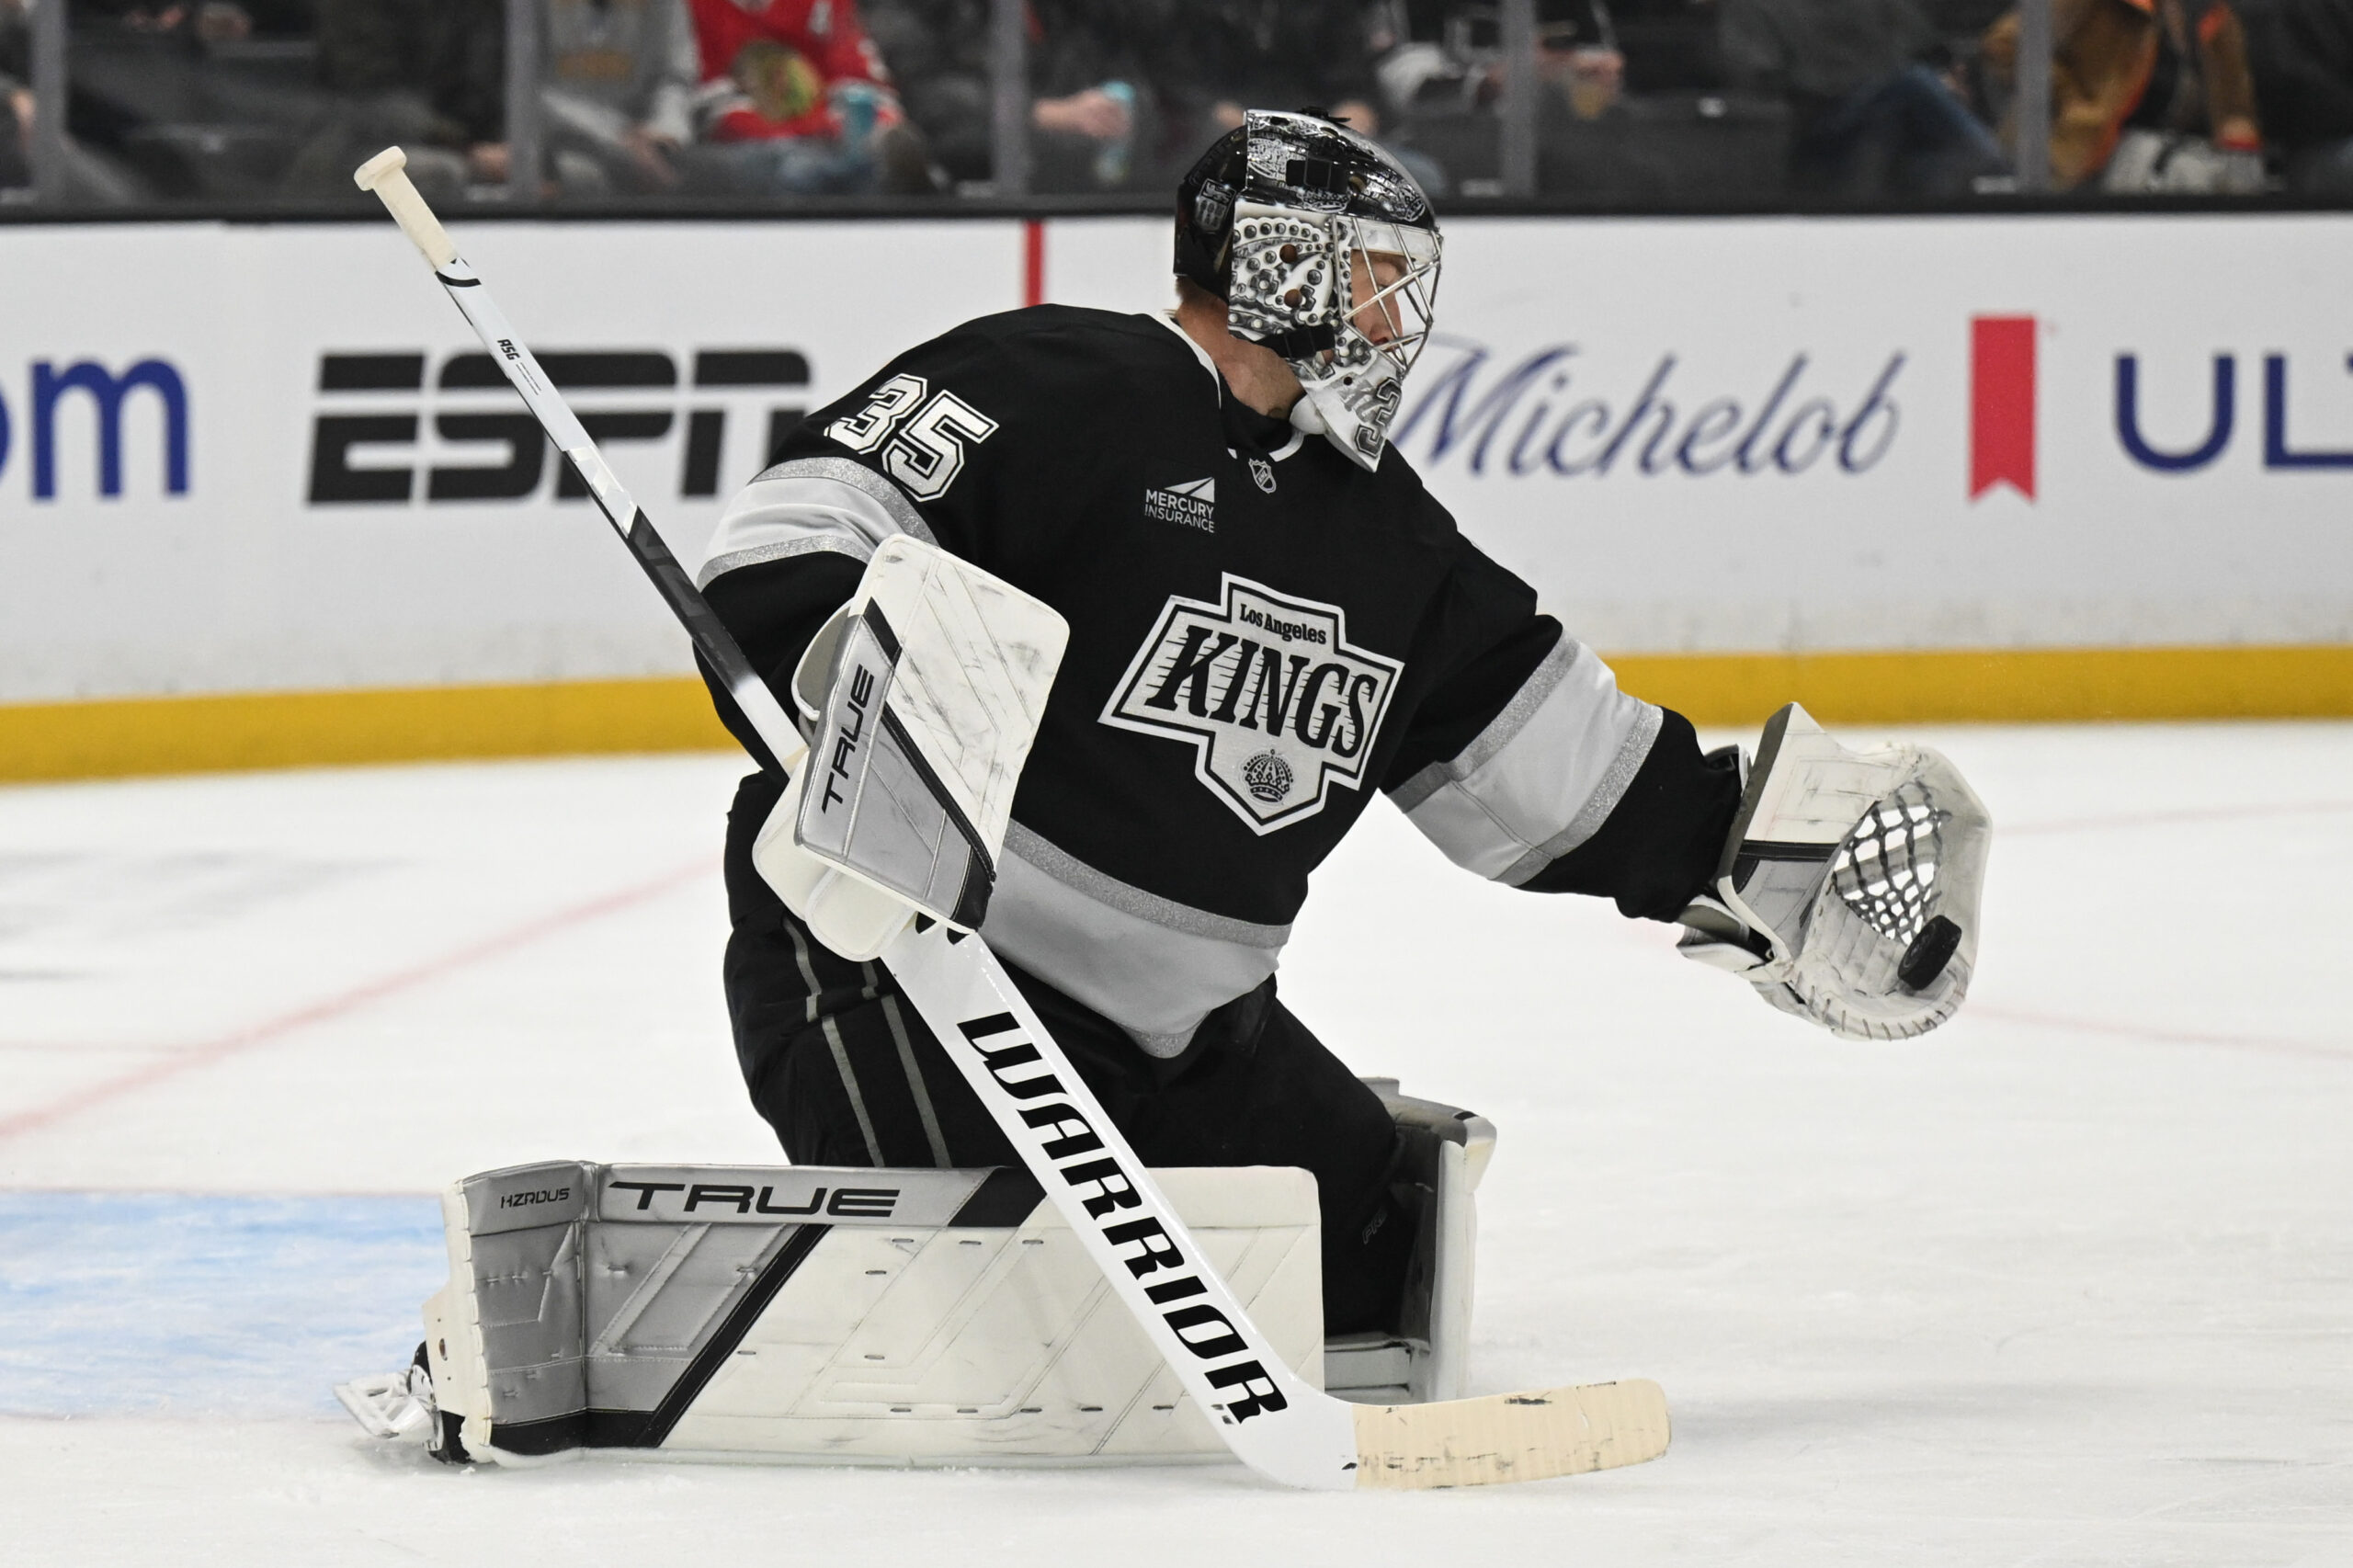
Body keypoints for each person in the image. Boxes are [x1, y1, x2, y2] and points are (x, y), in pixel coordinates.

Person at [691, 110, 1979, 1338]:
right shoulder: (1061, 380)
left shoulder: (1389, 535)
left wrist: (1742, 853)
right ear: (1277, 266)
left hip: (1190, 1035)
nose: (1391, 317)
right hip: (907, 966)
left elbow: (1557, 761)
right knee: (1021, 1298)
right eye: (1367, 275)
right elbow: (803, 531)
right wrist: (838, 687)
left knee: (1370, 1259)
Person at [1721, 0, 2009, 198]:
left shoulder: (1875, 4)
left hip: (1888, 121)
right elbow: (1761, 89)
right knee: (1912, 84)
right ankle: (2001, 169)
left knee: (1932, 168)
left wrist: (1948, 77)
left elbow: (1932, 51)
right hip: (1819, 130)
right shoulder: (1755, 8)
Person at [1982, 0, 2265, 189]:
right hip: (2079, 161)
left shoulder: (2212, 17)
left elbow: (2234, 108)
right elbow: (2005, 45)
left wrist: (2239, 158)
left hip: (2171, 165)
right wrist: (2074, 101)